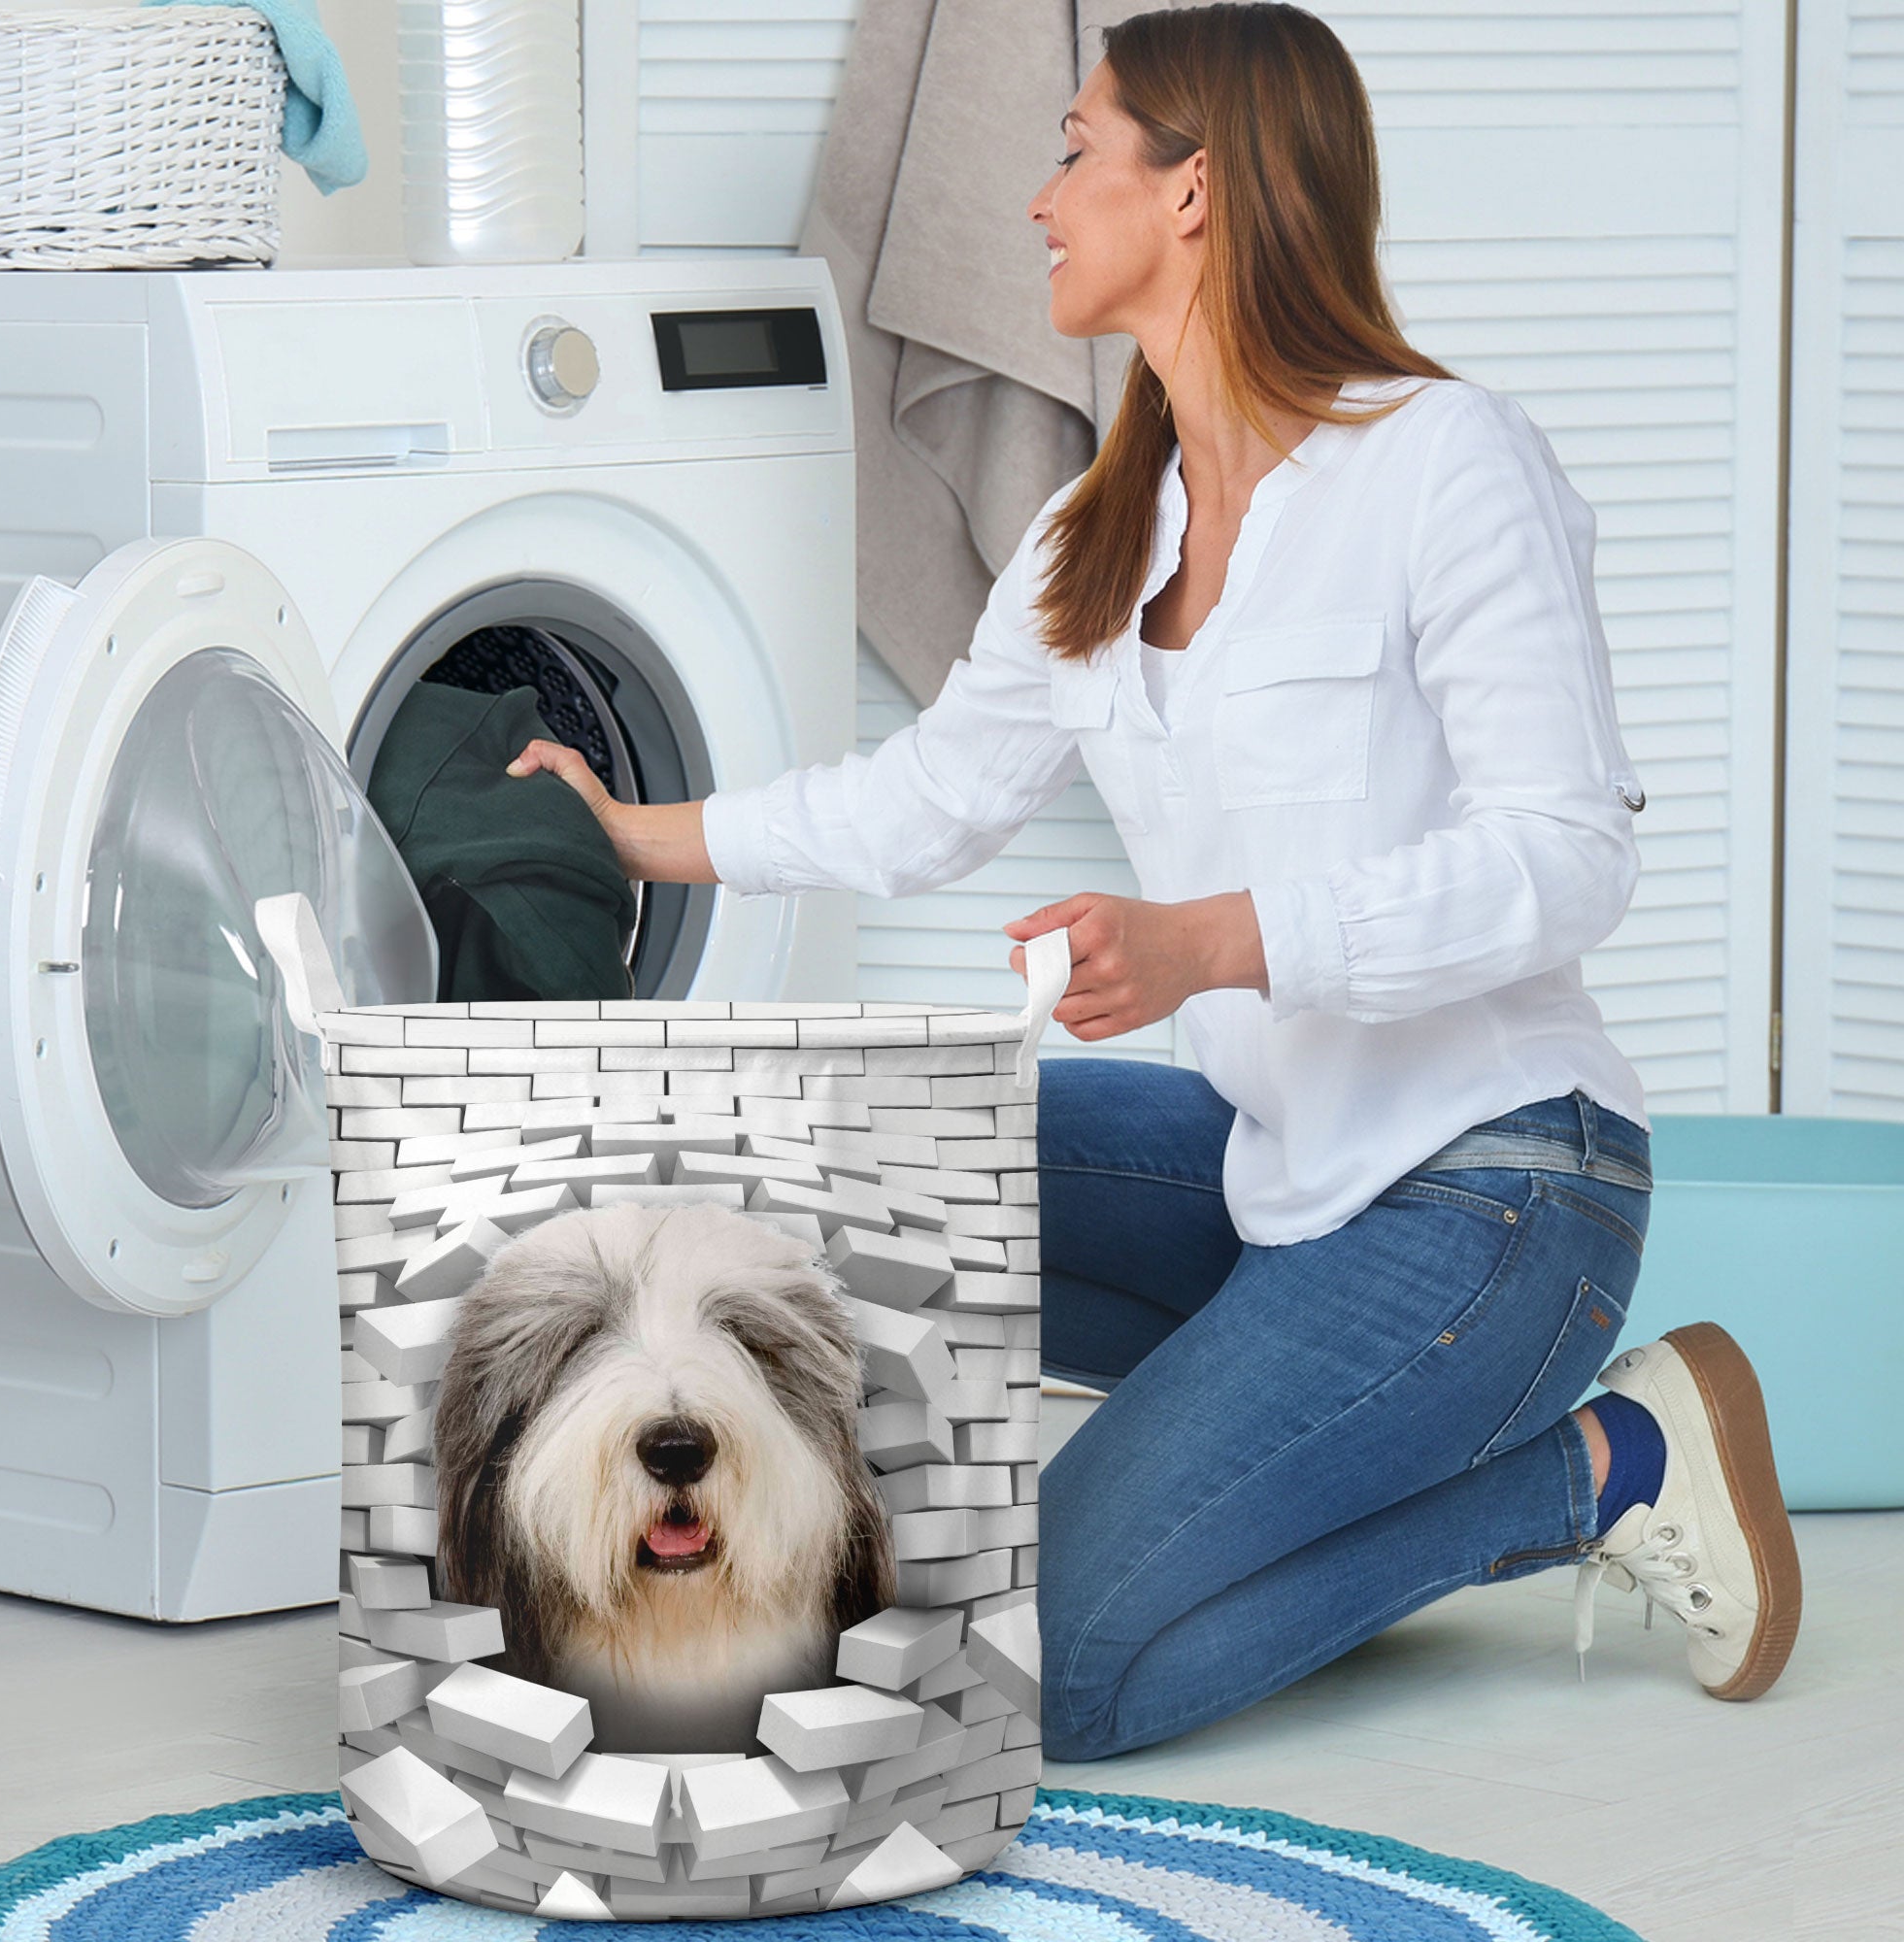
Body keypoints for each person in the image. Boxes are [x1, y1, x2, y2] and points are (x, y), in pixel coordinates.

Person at [506, 0, 1802, 1762]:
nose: (1039, 201)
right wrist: (642, 830)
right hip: (1279, 1173)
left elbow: (1569, 859)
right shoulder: (1097, 533)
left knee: (1051, 1670)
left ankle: (1604, 1469)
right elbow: (928, 800)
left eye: (1075, 153)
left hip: (1500, 1189)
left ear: (1193, 192)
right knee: (842, 1169)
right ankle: (1188, 1467)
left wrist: (1216, 944)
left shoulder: (1443, 460)